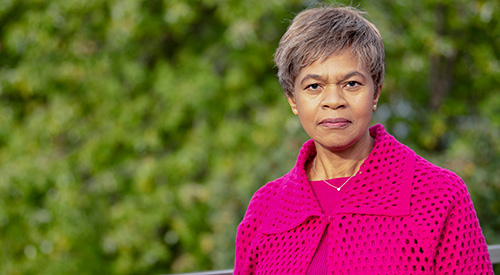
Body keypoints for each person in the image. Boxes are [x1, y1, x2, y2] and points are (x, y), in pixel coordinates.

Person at [234, 5, 493, 275]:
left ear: (376, 92)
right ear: (292, 99)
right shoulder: (265, 209)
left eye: (352, 84)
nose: (334, 101)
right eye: (314, 86)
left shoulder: (439, 195)